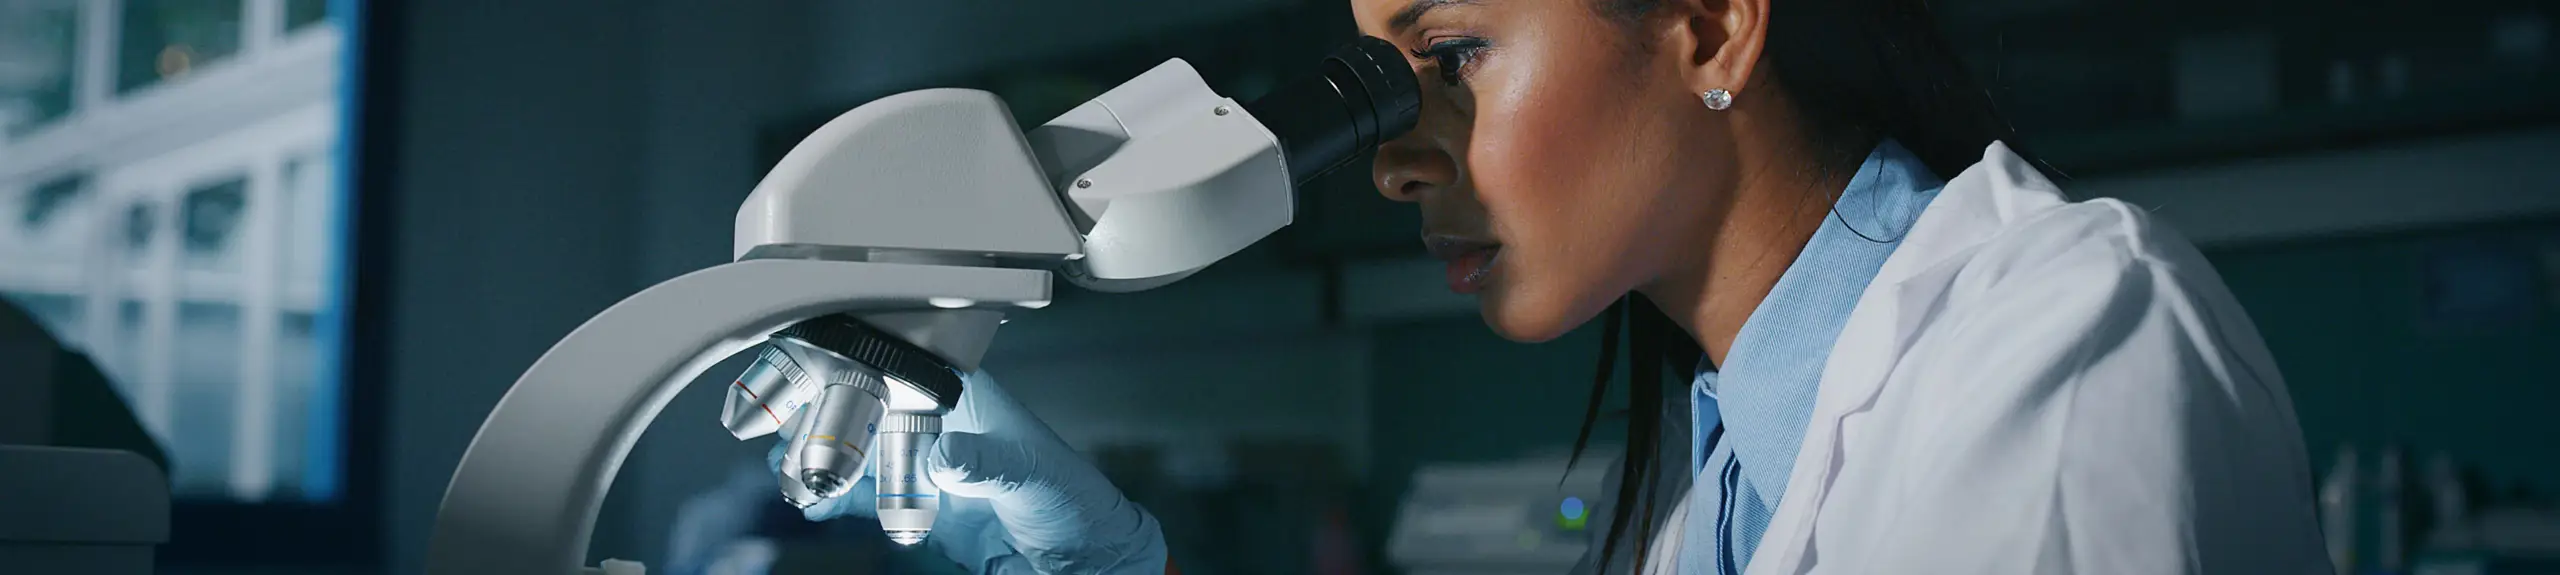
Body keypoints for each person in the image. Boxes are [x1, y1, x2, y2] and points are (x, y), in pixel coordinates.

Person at [780, 0, 2336, 572]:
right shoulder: (1716, 482)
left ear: (1718, 26)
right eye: (1379, 84)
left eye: (1449, 57)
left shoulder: (2060, 344)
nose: (1395, 159)